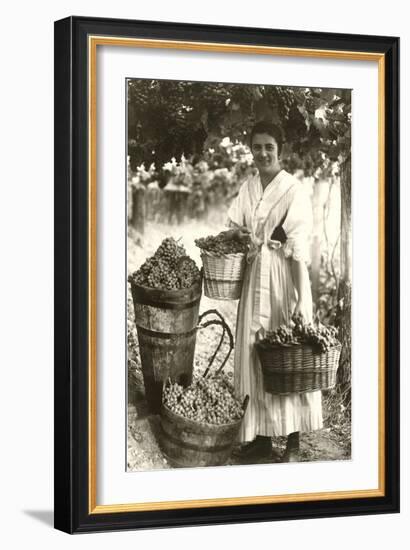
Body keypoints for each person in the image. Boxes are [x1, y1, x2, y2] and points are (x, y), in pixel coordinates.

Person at [226, 121, 323, 462]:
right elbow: (234, 227)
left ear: (280, 150)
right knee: (255, 356)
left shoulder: (293, 190)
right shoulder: (249, 188)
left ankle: (293, 441)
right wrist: (241, 236)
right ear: (250, 150)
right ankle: (262, 439)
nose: (263, 153)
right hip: (255, 277)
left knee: (289, 359)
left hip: (282, 278)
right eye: (257, 147)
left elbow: (297, 248)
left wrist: (301, 298)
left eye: (269, 146)